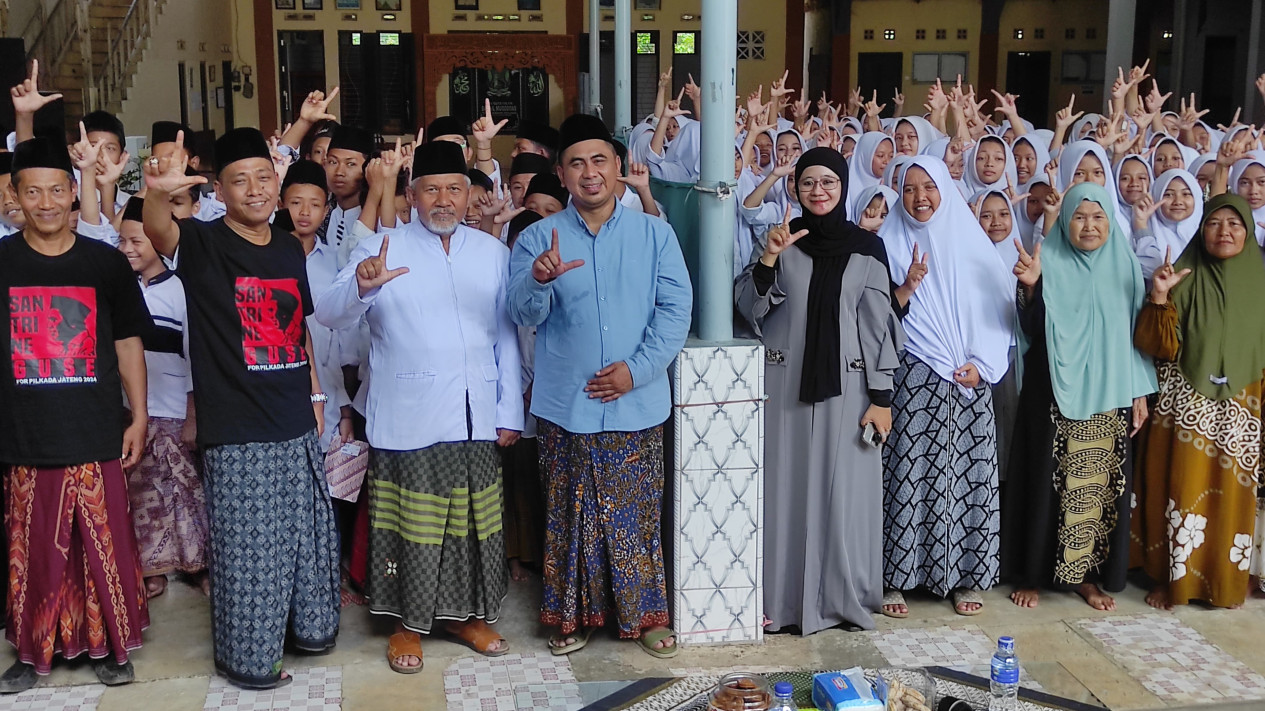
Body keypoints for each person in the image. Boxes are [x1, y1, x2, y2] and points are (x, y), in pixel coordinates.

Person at [141, 127, 339, 690]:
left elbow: (297, 329)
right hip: (238, 426)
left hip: (295, 416)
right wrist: (158, 190)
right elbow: (158, 232)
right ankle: (250, 659)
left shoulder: (285, 246)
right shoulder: (203, 244)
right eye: (238, 181)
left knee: (306, 539)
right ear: (219, 191)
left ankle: (308, 633)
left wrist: (316, 394)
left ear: (276, 183)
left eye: (262, 177)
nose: (254, 189)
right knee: (252, 551)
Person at [315, 140, 522, 673]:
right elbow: (330, 315)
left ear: (470, 195)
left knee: (471, 525)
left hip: (475, 414)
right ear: (412, 195)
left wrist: (508, 412)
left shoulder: (492, 253)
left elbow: (506, 337)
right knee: (413, 527)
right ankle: (408, 625)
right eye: (431, 189)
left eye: (454, 189)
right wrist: (362, 287)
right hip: (408, 414)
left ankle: (463, 616)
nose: (444, 200)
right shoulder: (382, 248)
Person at [507, 113, 691, 658]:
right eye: (576, 163)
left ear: (618, 167)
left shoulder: (653, 233)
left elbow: (675, 309)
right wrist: (538, 280)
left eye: (599, 161)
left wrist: (636, 369)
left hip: (638, 401)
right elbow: (518, 310)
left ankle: (645, 617)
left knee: (635, 515)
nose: (590, 173)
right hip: (568, 405)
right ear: (560, 174)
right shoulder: (540, 236)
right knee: (571, 514)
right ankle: (572, 617)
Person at [0, 136, 151, 692]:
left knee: (103, 545)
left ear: (72, 193)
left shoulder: (104, 263)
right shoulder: (3, 263)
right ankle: (32, 647)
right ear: (14, 196)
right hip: (25, 435)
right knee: (32, 549)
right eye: (32, 192)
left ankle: (111, 645)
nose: (45, 203)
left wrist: (137, 415)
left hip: (94, 430)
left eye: (56, 190)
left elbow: (128, 343)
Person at [735, 147, 904, 633]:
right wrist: (769, 257)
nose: (818, 191)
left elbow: (878, 328)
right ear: (795, 188)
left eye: (828, 182)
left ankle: (840, 597)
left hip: (850, 390)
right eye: (808, 182)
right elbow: (748, 310)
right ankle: (781, 603)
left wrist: (882, 397)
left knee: (843, 494)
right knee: (783, 491)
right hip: (784, 387)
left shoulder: (867, 248)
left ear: (844, 187)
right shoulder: (780, 241)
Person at [1003, 182, 1157, 611]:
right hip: (1050, 388)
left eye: (1098, 217)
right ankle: (1032, 574)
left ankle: (1085, 578)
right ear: (1065, 221)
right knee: (1044, 482)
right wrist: (1032, 288)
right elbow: (1031, 330)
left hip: (1109, 393)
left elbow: (1135, 336)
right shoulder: (1046, 261)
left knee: (1097, 485)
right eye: (1079, 217)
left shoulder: (1124, 267)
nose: (1089, 226)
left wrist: (1139, 391)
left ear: (1111, 222)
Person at [877, 156, 1014, 618]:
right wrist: (908, 286)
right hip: (912, 374)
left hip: (969, 382)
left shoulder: (972, 245)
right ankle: (896, 576)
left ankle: (964, 576)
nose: (919, 198)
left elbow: (999, 313)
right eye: (910, 188)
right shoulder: (889, 243)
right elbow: (875, 315)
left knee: (966, 475)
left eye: (928, 187)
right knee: (907, 475)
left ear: (945, 191)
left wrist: (983, 363)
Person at [1132, 195, 1265, 610]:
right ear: (1200, 229)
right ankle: (1170, 579)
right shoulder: (1180, 277)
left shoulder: (1260, 281)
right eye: (1214, 223)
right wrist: (1159, 296)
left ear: (1248, 231)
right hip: (1184, 403)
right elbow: (1153, 345)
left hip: (1243, 406)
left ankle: (1226, 579)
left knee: (1231, 496)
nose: (1224, 232)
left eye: (1234, 224)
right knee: (1180, 490)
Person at [115, 197, 208, 600]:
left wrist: (192, 415)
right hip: (132, 412)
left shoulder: (183, 290)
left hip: (172, 409)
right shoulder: (119, 289)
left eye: (137, 241)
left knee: (183, 494)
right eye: (123, 242)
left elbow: (195, 357)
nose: (129, 249)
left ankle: (197, 565)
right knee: (142, 496)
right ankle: (150, 569)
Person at [503, 210, 547, 583]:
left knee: (538, 485)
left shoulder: (552, 284)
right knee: (513, 482)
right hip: (511, 399)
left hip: (544, 398)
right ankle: (514, 558)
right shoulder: (503, 287)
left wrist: (536, 388)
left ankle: (538, 556)